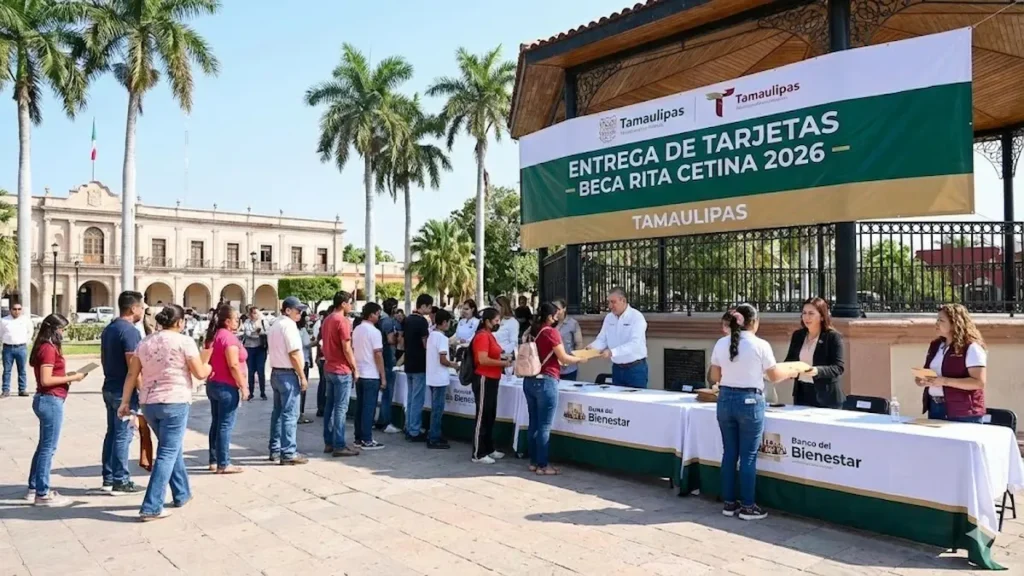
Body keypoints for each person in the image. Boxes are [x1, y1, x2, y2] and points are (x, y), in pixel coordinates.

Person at [118, 304, 210, 521]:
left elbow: (132, 374)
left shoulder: (145, 342)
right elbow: (199, 372)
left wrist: (125, 401)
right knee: (167, 452)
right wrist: (208, 366)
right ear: (180, 322)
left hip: (149, 403)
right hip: (174, 401)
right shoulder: (184, 341)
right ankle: (152, 506)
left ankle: (182, 493)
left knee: (172, 447)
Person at [707, 304, 798, 521]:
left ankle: (729, 503)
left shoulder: (721, 343)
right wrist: (793, 371)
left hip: (726, 399)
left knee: (729, 453)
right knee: (748, 456)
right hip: (750, 401)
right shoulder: (760, 345)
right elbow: (774, 376)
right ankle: (748, 506)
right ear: (754, 322)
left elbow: (714, 376)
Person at [26, 314, 84, 506]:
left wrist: (67, 375)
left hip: (47, 399)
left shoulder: (44, 347)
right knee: (48, 448)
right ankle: (42, 493)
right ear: (54, 329)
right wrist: (72, 378)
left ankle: (34, 486)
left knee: (44, 446)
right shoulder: (48, 349)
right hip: (50, 400)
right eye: (61, 330)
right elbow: (46, 380)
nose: (63, 334)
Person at [524, 302, 588, 475]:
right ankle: (543, 465)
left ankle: (533, 462)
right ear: (551, 316)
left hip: (529, 380)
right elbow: (564, 358)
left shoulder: (532, 331)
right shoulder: (551, 332)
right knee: (544, 426)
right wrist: (580, 359)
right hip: (546, 381)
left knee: (534, 423)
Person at [99, 290, 145, 495]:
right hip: (122, 391)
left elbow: (103, 357)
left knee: (112, 433)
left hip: (110, 385)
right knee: (123, 435)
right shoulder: (130, 331)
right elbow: (133, 366)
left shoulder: (110, 328)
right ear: (133, 308)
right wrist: (142, 390)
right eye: (142, 307)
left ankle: (108, 477)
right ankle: (120, 479)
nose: (143, 311)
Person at [916, 303, 987, 423]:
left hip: (963, 411)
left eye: (941, 320)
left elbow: (979, 383)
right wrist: (921, 380)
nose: (936, 324)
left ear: (955, 324)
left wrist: (944, 381)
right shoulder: (936, 346)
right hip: (935, 407)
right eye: (937, 320)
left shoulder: (971, 347)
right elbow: (925, 372)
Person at [204, 303, 248, 474]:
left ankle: (214, 459)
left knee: (216, 423)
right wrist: (243, 386)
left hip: (214, 383)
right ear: (228, 321)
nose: (238, 321)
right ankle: (224, 462)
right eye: (236, 319)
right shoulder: (228, 338)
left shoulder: (214, 336)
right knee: (225, 425)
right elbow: (233, 364)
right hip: (226, 386)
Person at [267, 296, 310, 464]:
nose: (300, 313)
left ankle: (275, 449)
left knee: (277, 413)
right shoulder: (289, 326)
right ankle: (289, 452)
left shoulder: (275, 325)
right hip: (288, 373)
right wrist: (302, 376)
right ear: (287, 310)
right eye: (297, 310)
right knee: (290, 414)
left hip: (276, 372)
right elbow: (294, 353)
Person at [470, 308, 513, 464]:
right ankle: (478, 453)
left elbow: (494, 353)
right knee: (482, 415)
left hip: (493, 378)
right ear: (487, 321)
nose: (498, 323)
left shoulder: (489, 336)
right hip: (483, 378)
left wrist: (505, 357)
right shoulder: (482, 336)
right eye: (496, 320)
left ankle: (488, 448)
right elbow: (482, 359)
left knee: (490, 414)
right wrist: (502, 362)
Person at [785, 297, 845, 409]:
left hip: (827, 397)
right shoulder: (798, 335)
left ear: (822, 316)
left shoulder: (833, 337)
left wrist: (816, 370)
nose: (806, 317)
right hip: (802, 393)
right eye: (804, 313)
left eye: (811, 313)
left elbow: (838, 368)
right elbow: (789, 361)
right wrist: (785, 370)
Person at [588, 287, 649, 388]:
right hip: (617, 368)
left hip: (635, 369)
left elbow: (635, 344)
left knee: (636, 401)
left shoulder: (637, 317)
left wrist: (612, 352)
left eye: (613, 302)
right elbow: (602, 339)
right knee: (617, 401)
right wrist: (591, 348)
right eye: (609, 302)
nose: (610, 306)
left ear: (623, 300)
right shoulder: (609, 318)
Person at [321, 293, 358, 457]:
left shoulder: (327, 319)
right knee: (341, 408)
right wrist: (355, 367)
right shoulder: (342, 321)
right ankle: (339, 444)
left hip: (329, 366)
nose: (351, 306)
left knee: (330, 406)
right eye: (350, 303)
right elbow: (347, 347)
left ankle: (329, 441)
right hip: (341, 368)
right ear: (343, 304)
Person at [353, 302, 387, 450]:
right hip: (371, 373)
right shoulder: (374, 332)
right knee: (369, 407)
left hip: (359, 372)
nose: (379, 316)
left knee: (360, 407)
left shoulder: (357, 329)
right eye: (378, 313)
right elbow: (378, 354)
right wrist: (383, 376)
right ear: (372, 314)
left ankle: (358, 437)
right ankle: (367, 438)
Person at [426, 309, 459, 449]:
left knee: (435, 408)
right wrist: (455, 365)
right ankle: (434, 437)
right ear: (444, 322)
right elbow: (443, 359)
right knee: (438, 409)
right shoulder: (442, 338)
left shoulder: (432, 336)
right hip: (439, 378)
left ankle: (434, 434)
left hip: (432, 376)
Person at [403, 294, 433, 442]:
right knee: (417, 398)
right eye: (429, 307)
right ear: (423, 306)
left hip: (408, 361)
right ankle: (414, 430)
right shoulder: (422, 322)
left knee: (410, 397)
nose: (429, 309)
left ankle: (409, 426)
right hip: (419, 363)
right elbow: (425, 343)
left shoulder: (407, 319)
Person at [376, 298, 401, 433]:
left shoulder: (381, 320)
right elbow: (391, 339)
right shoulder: (388, 321)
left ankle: (381, 420)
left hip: (383, 357)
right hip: (388, 357)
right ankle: (385, 421)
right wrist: (398, 336)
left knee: (384, 392)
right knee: (388, 392)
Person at [0, 301, 34, 397]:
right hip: (8, 348)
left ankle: (22, 389)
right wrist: (7, 340)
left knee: (22, 370)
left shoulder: (26, 320)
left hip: (21, 348)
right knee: (7, 370)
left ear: (21, 310)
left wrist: (25, 342)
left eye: (19, 309)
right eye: (14, 309)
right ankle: (5, 390)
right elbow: (1, 333)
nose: (17, 311)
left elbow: (30, 332)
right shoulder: (4, 321)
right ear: (11, 310)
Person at [242, 306, 269, 401]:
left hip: (261, 348)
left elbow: (267, 332)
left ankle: (262, 392)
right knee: (251, 371)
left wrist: (259, 332)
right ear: (250, 314)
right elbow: (248, 334)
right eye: (253, 313)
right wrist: (257, 333)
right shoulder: (247, 322)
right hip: (250, 348)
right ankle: (251, 393)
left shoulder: (263, 322)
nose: (255, 315)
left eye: (256, 313)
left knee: (261, 370)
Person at [554, 298, 584, 382]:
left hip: (569, 367)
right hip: (553, 367)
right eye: (553, 309)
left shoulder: (572, 323)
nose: (556, 311)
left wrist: (572, 359)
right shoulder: (550, 323)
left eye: (558, 309)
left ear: (564, 309)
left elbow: (579, 344)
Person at [313, 304, 333, 417]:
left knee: (322, 383)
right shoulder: (327, 326)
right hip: (326, 358)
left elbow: (318, 342)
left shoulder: (323, 326)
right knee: (325, 384)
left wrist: (317, 357)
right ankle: (323, 407)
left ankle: (321, 407)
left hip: (322, 358)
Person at [297, 311, 314, 424]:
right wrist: (317, 342)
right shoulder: (301, 331)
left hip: (302, 360)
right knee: (302, 389)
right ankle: (300, 413)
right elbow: (306, 345)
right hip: (302, 361)